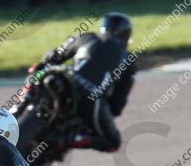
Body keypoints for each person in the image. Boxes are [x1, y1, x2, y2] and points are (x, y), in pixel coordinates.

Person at [28, 12, 136, 153]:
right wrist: (111, 112)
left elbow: (53, 56)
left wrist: (44, 64)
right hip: (91, 98)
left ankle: (24, 100)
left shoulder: (87, 37)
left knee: (39, 70)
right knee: (113, 142)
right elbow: (120, 96)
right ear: (126, 35)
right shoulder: (128, 59)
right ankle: (70, 139)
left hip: (67, 78)